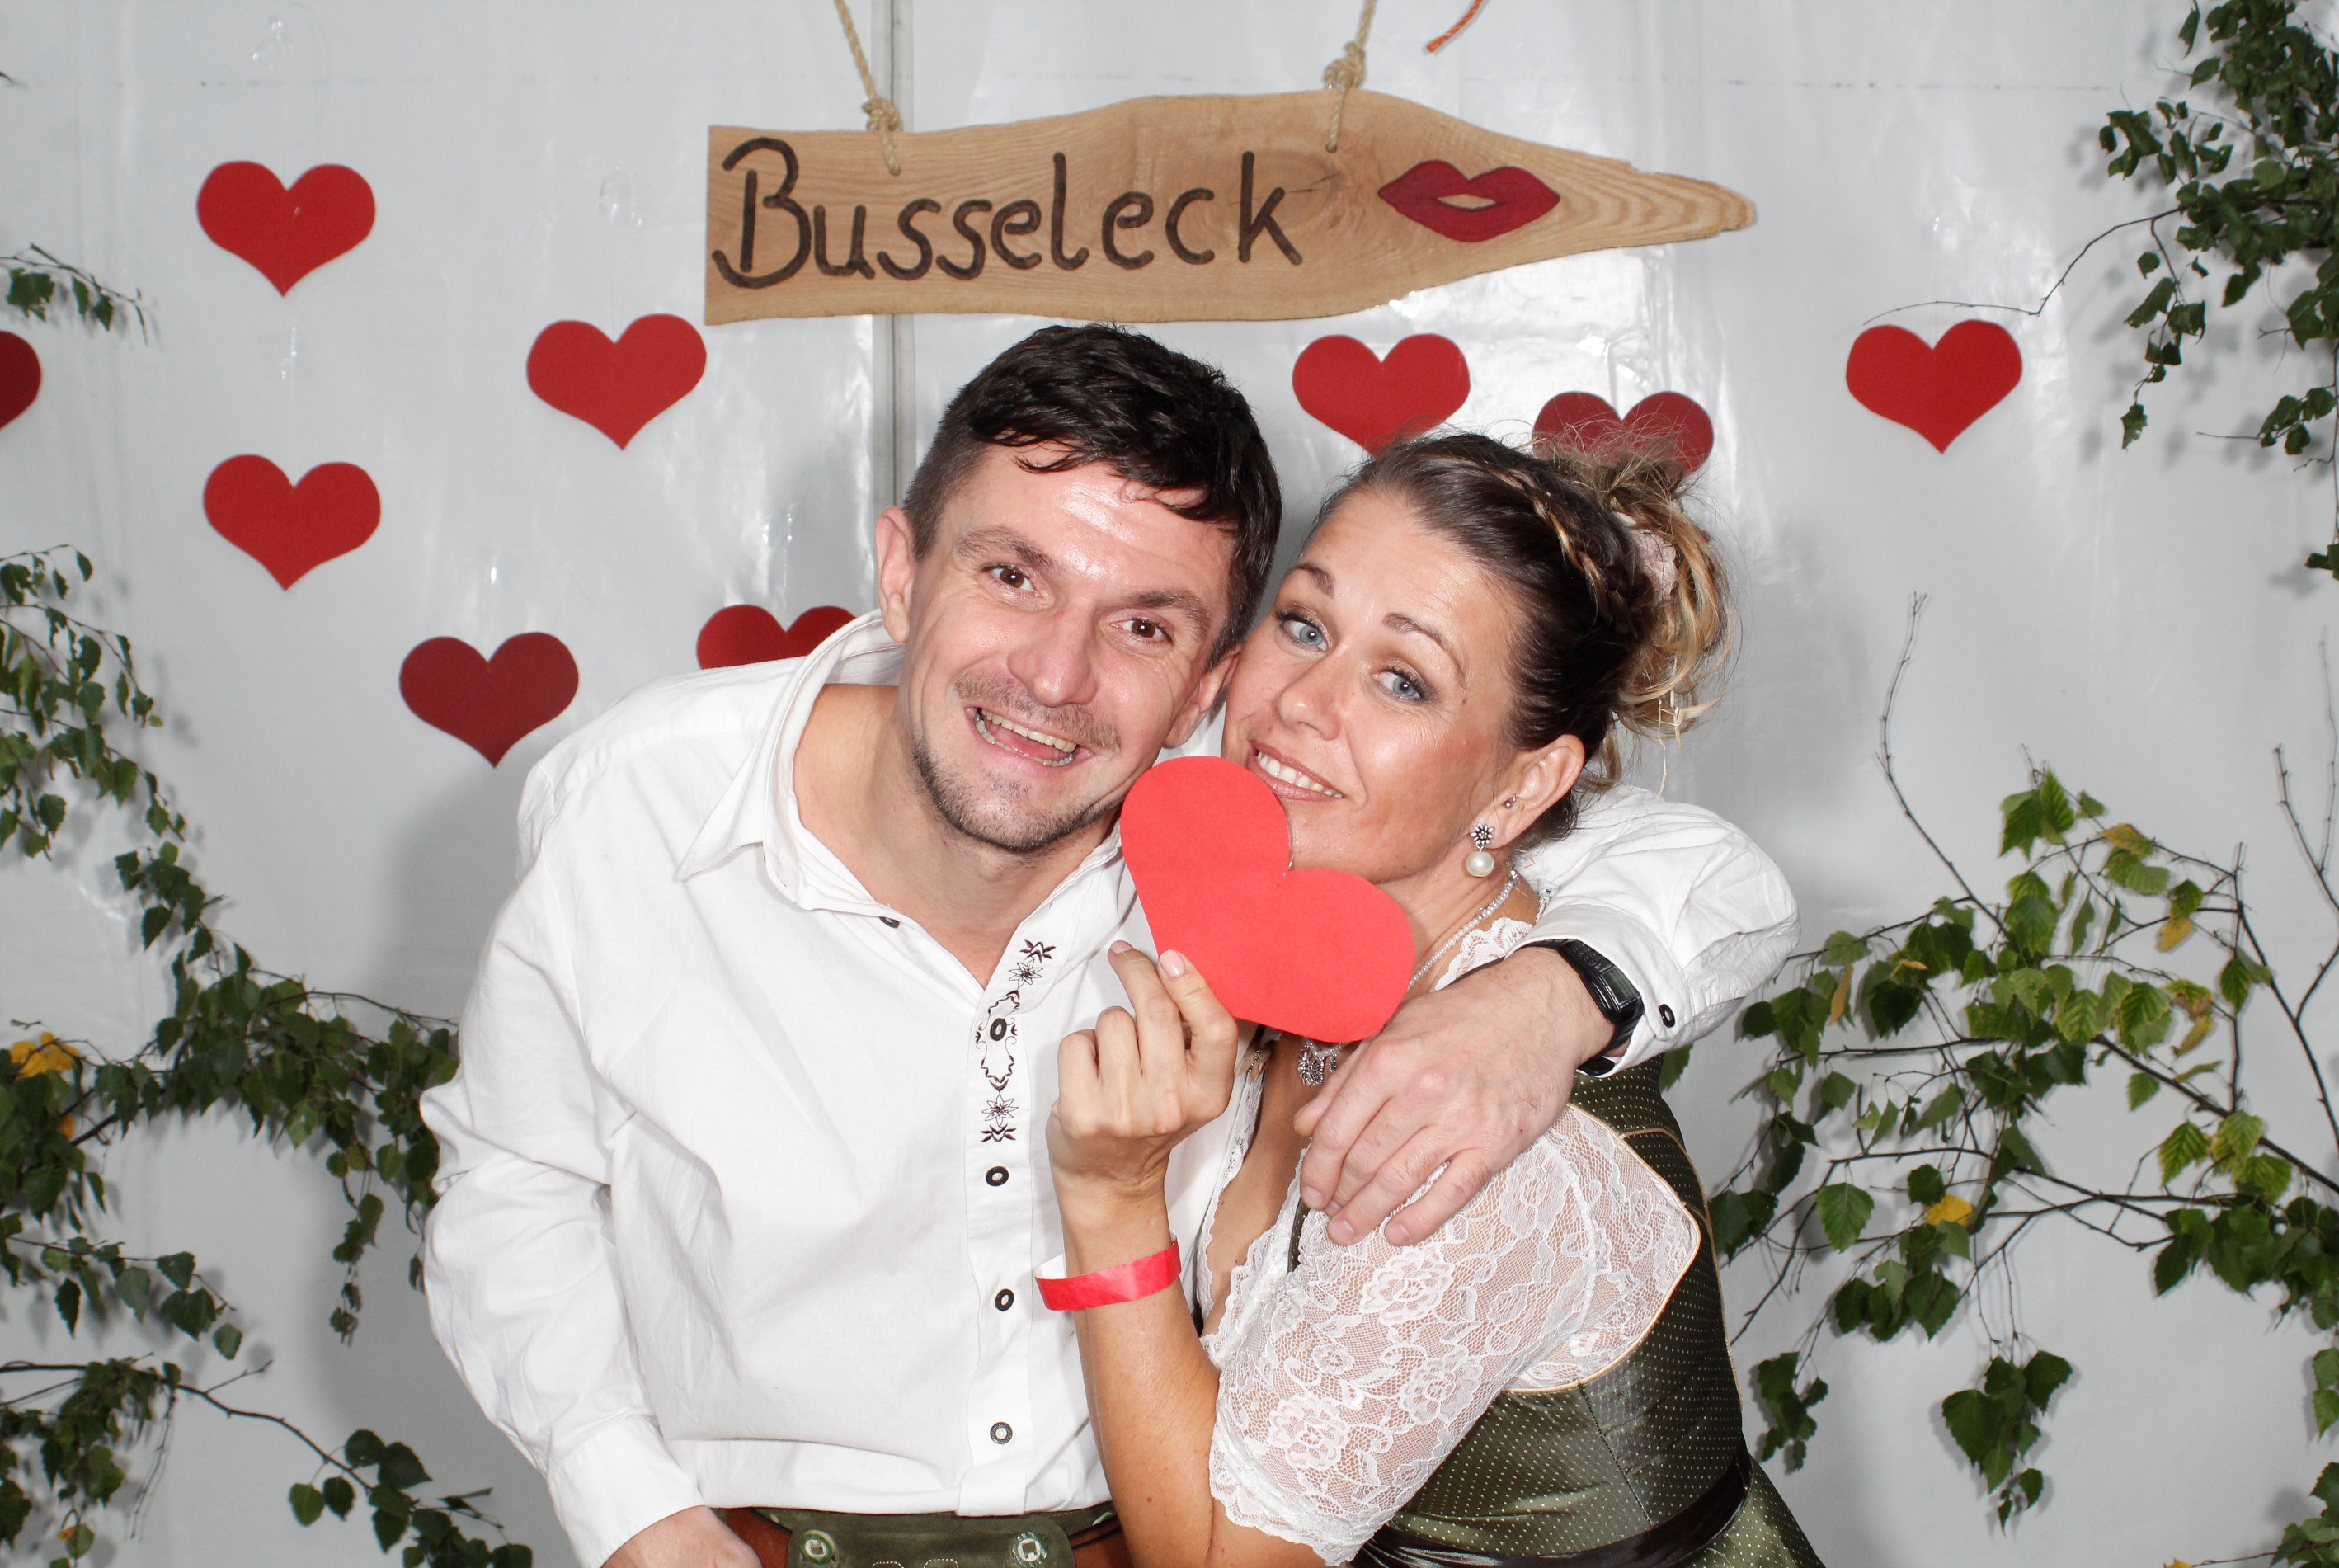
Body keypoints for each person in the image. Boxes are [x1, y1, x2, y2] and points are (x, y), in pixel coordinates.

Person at [418, 327, 1797, 1568]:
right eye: (1012, 575)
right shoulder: (642, 801)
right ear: (901, 570)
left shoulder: (1237, 793)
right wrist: (635, 1513)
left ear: (1206, 674)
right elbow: (511, 1180)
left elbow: (1690, 864)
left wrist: (1552, 996)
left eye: (1144, 623)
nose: (1056, 676)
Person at [1045, 433, 1820, 1568]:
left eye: (1402, 679)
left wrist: (1112, 1200)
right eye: (1305, 624)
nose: (1303, 702)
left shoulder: (1467, 1137)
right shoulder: (1280, 896)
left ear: (1524, 783)